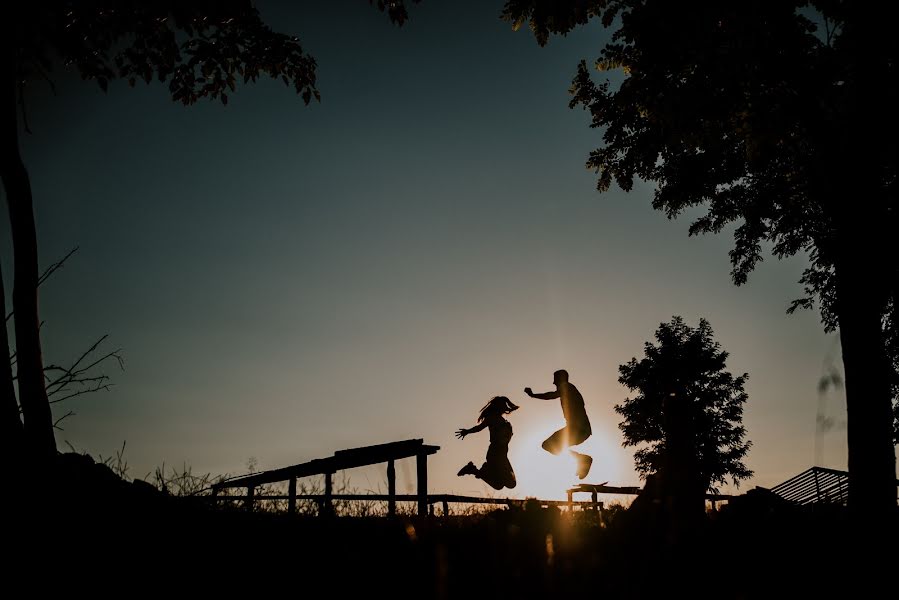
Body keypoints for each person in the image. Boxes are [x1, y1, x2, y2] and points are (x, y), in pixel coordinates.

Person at [525, 369, 594, 479]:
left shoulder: (566, 386)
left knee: (548, 445)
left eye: (555, 381)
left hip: (578, 429)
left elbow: (551, 395)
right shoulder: (569, 390)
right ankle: (581, 460)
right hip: (581, 430)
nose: (554, 383)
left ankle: (583, 459)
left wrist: (533, 395)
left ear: (561, 380)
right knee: (551, 446)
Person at [456, 396, 519, 490]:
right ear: (498, 406)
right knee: (509, 484)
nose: (504, 407)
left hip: (502, 454)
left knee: (500, 485)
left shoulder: (503, 420)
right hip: (495, 453)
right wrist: (467, 431)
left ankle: (474, 470)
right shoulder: (492, 418)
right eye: (502, 405)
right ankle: (476, 470)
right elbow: (479, 427)